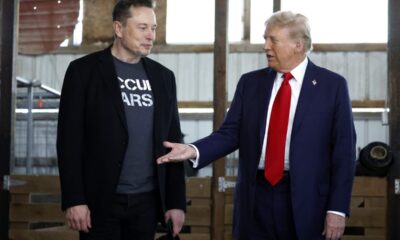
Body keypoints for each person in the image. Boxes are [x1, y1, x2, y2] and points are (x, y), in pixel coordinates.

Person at [157, 11, 356, 240]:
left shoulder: (332, 86)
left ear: (298, 45)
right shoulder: (250, 83)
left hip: (307, 200)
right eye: (265, 38)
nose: (265, 46)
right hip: (255, 198)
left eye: (273, 40)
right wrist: (193, 149)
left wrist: (337, 209)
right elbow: (230, 133)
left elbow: (344, 152)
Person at [57, 0, 186, 239]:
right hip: (100, 201)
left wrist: (176, 202)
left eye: (154, 28)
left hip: (147, 202)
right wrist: (74, 198)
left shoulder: (163, 77)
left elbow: (173, 141)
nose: (150, 35)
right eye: (142, 27)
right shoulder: (83, 72)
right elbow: (69, 140)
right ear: (118, 28)